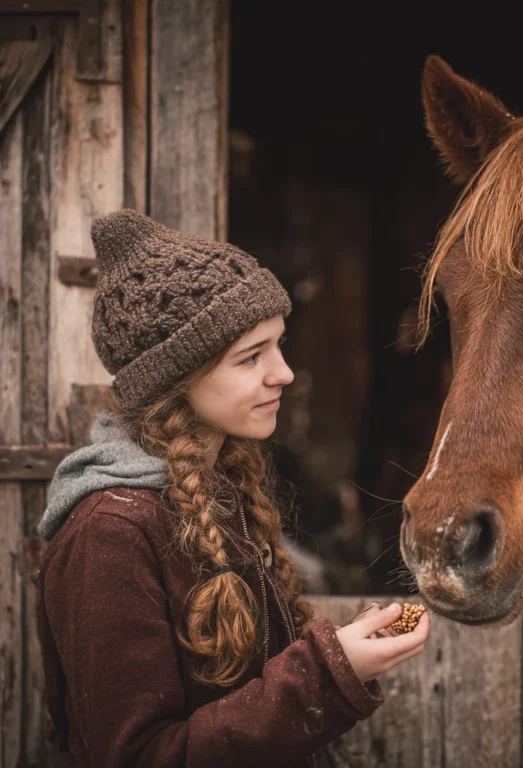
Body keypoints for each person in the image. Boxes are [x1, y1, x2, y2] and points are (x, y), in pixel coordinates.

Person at [35, 210, 430, 767]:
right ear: (176, 378)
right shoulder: (110, 534)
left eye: (278, 345)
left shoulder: (221, 492)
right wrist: (325, 673)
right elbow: (140, 756)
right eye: (251, 358)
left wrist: (341, 653)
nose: (285, 374)